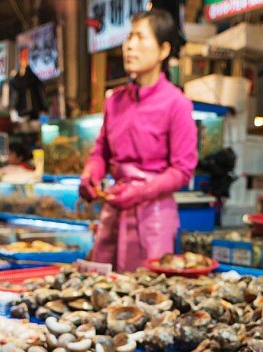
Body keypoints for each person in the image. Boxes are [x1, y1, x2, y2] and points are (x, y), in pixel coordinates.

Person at [80, 8, 197, 272]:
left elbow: (182, 169)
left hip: (153, 215)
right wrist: (91, 173)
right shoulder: (115, 100)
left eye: (141, 38)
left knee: (145, 294)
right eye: (129, 37)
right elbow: (101, 150)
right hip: (114, 208)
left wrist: (140, 191)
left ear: (163, 50)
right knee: (101, 288)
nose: (130, 46)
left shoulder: (176, 103)